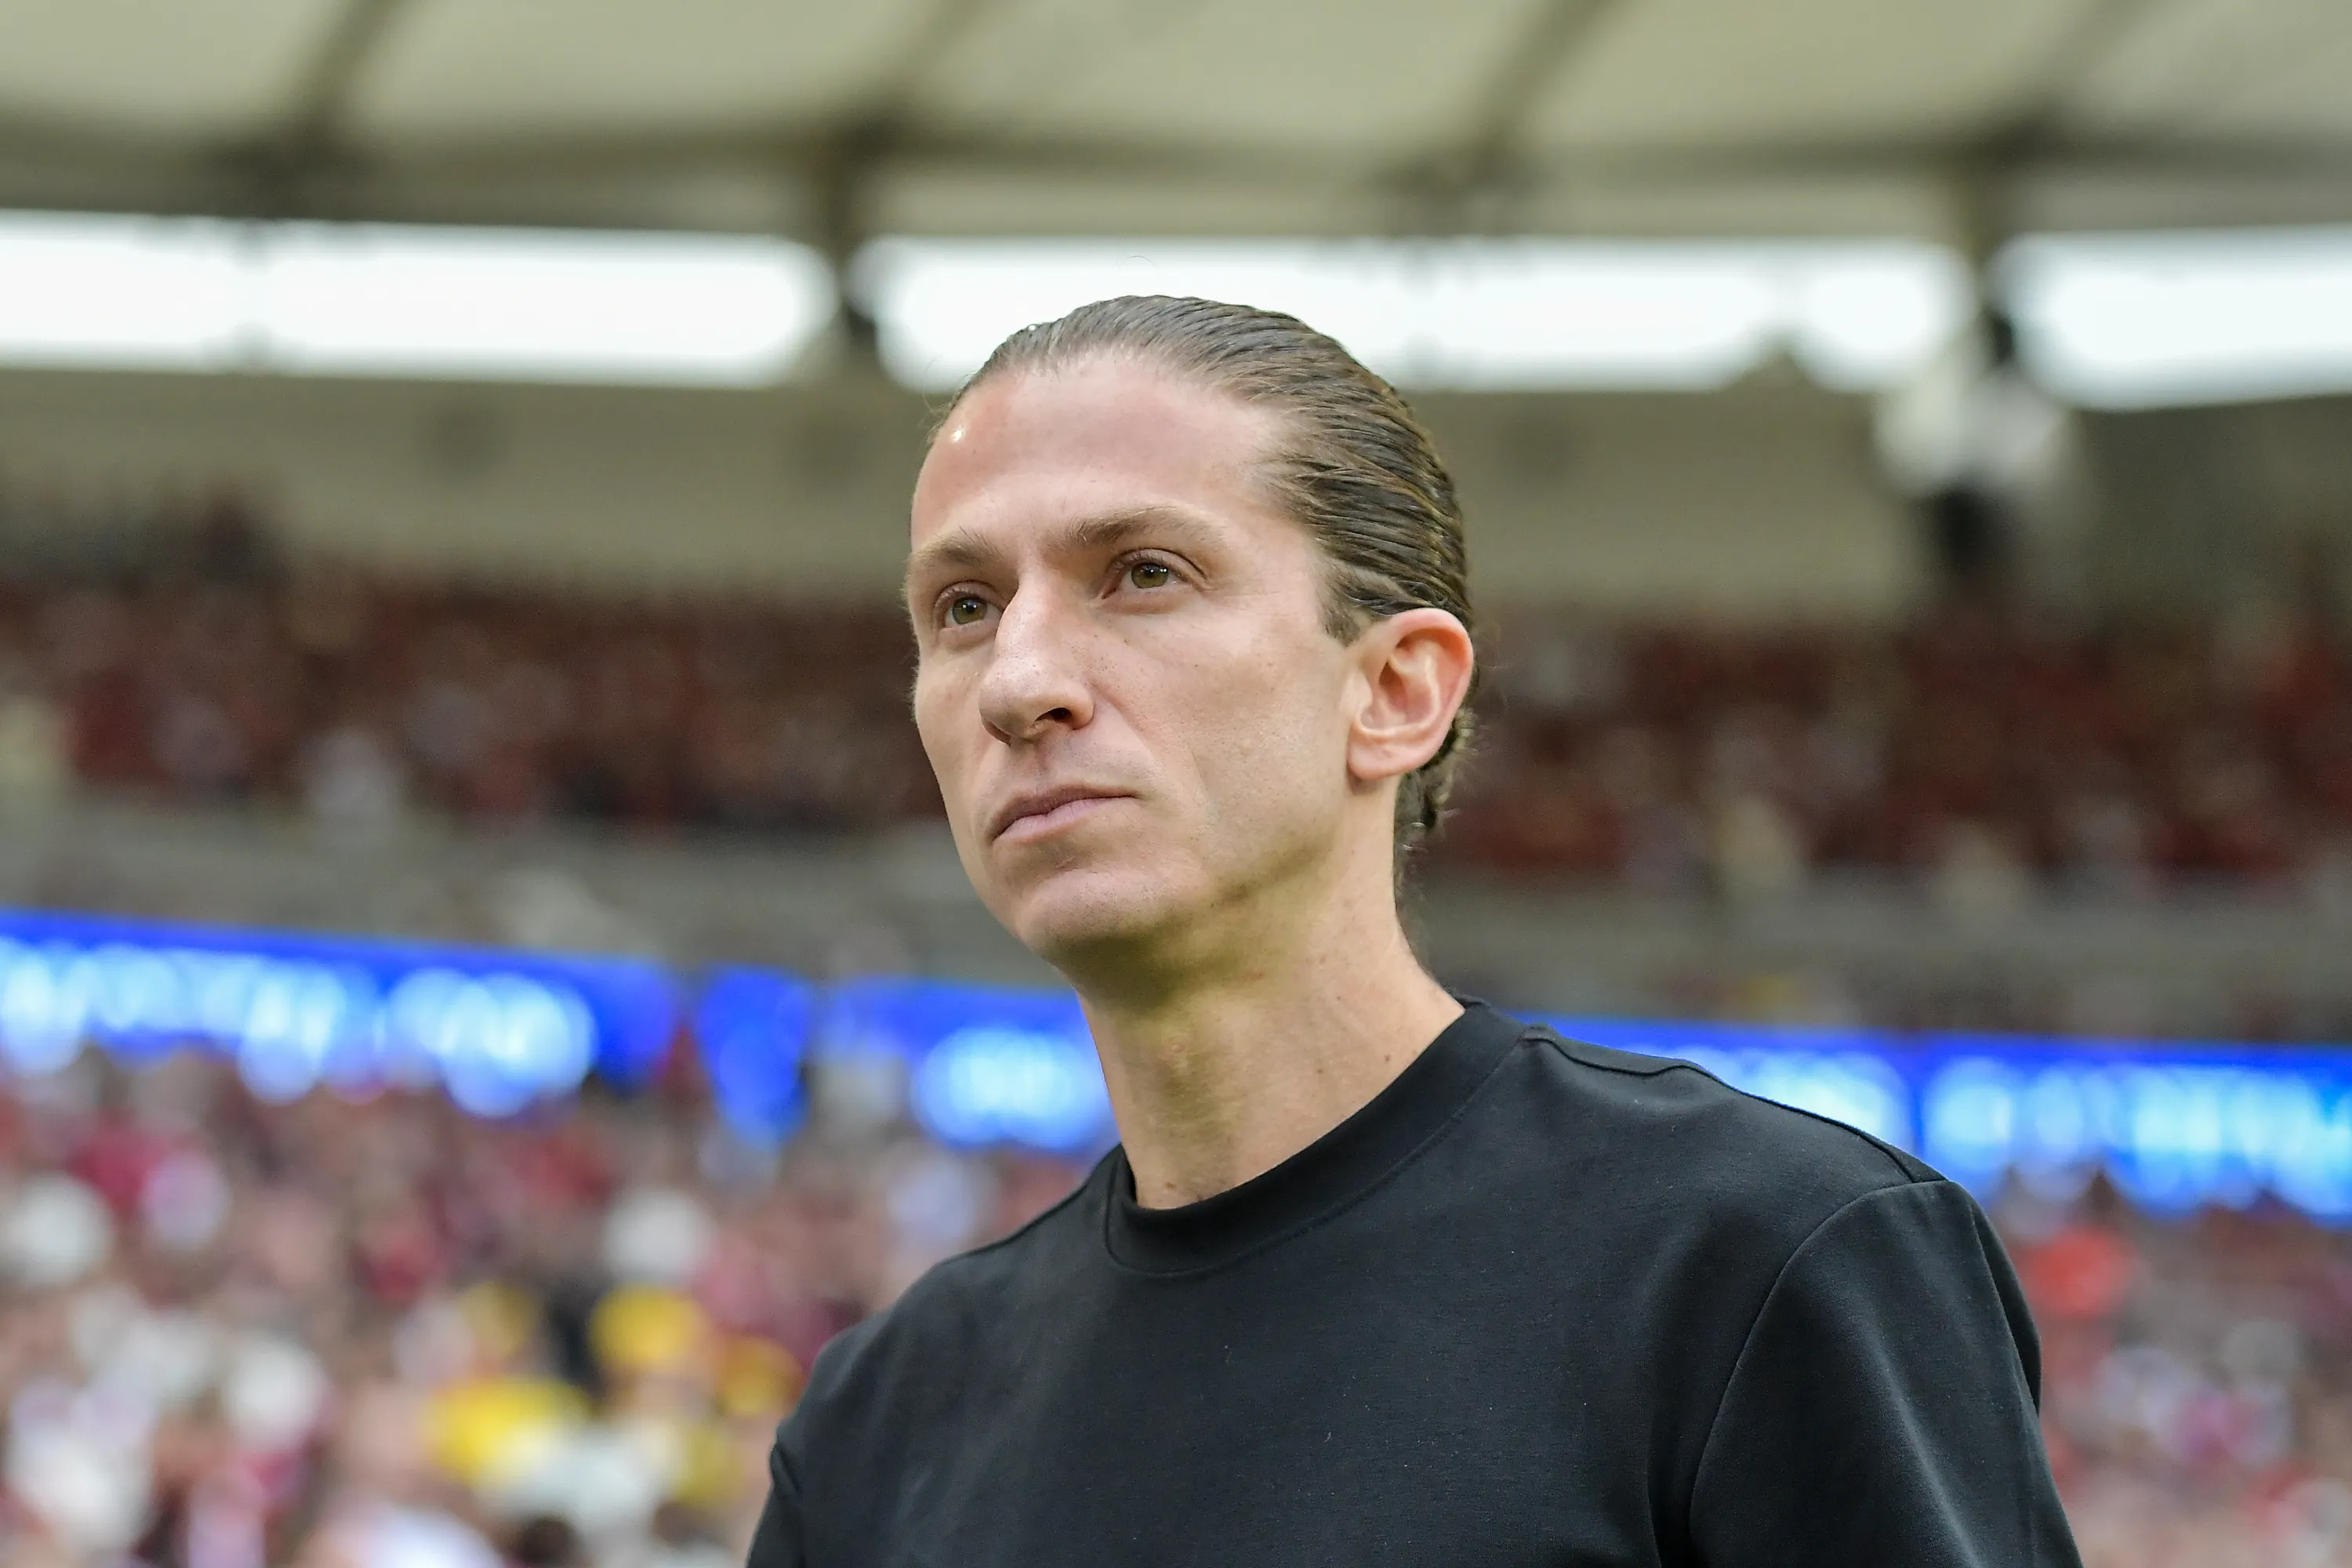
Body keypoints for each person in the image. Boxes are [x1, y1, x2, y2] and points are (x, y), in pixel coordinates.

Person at [747, 297, 2080, 1566]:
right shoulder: (879, 1428)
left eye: (1142, 574)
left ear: (1395, 692)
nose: (1020, 682)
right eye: (963, 608)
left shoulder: (1763, 1266)